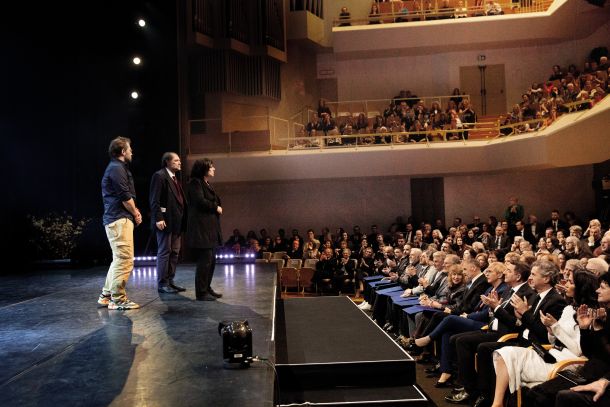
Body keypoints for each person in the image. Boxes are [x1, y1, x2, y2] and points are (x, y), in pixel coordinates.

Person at [98, 136, 142, 310]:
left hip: (117, 219)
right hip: (119, 219)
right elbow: (124, 196)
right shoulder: (116, 168)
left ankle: (106, 296)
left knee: (118, 259)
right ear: (123, 151)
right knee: (124, 260)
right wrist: (136, 212)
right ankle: (118, 299)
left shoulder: (117, 168)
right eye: (130, 149)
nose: (132, 151)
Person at [186, 158, 223, 301]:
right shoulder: (195, 183)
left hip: (209, 229)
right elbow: (199, 201)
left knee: (211, 260)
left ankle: (207, 288)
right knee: (205, 260)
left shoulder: (206, 183)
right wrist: (215, 207)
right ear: (204, 169)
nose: (214, 169)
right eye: (211, 167)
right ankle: (201, 292)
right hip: (201, 229)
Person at [150, 152, 187, 294]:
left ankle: (170, 281)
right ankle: (162, 283)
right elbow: (154, 200)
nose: (179, 162)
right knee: (165, 252)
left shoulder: (175, 178)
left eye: (179, 160)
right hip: (165, 222)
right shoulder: (159, 176)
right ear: (167, 162)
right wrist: (158, 218)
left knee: (175, 253)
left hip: (176, 223)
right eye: (176, 160)